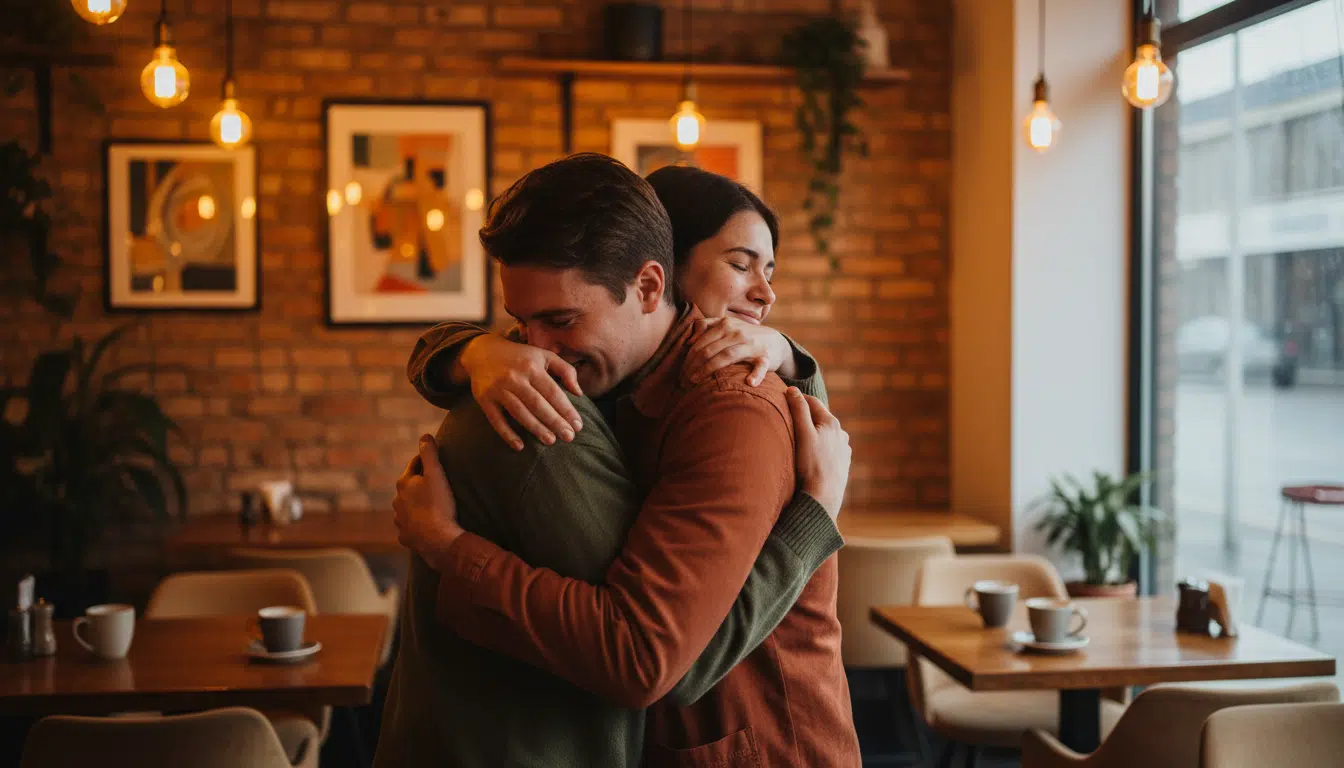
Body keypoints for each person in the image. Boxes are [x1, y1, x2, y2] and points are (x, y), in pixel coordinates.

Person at [387, 155, 860, 767]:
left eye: (558, 320)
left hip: (766, 747)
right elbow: (453, 347)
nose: (534, 348)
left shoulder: (732, 406)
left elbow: (652, 659)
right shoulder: (593, 366)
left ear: (649, 287)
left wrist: (449, 550)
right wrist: (473, 352)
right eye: (520, 323)